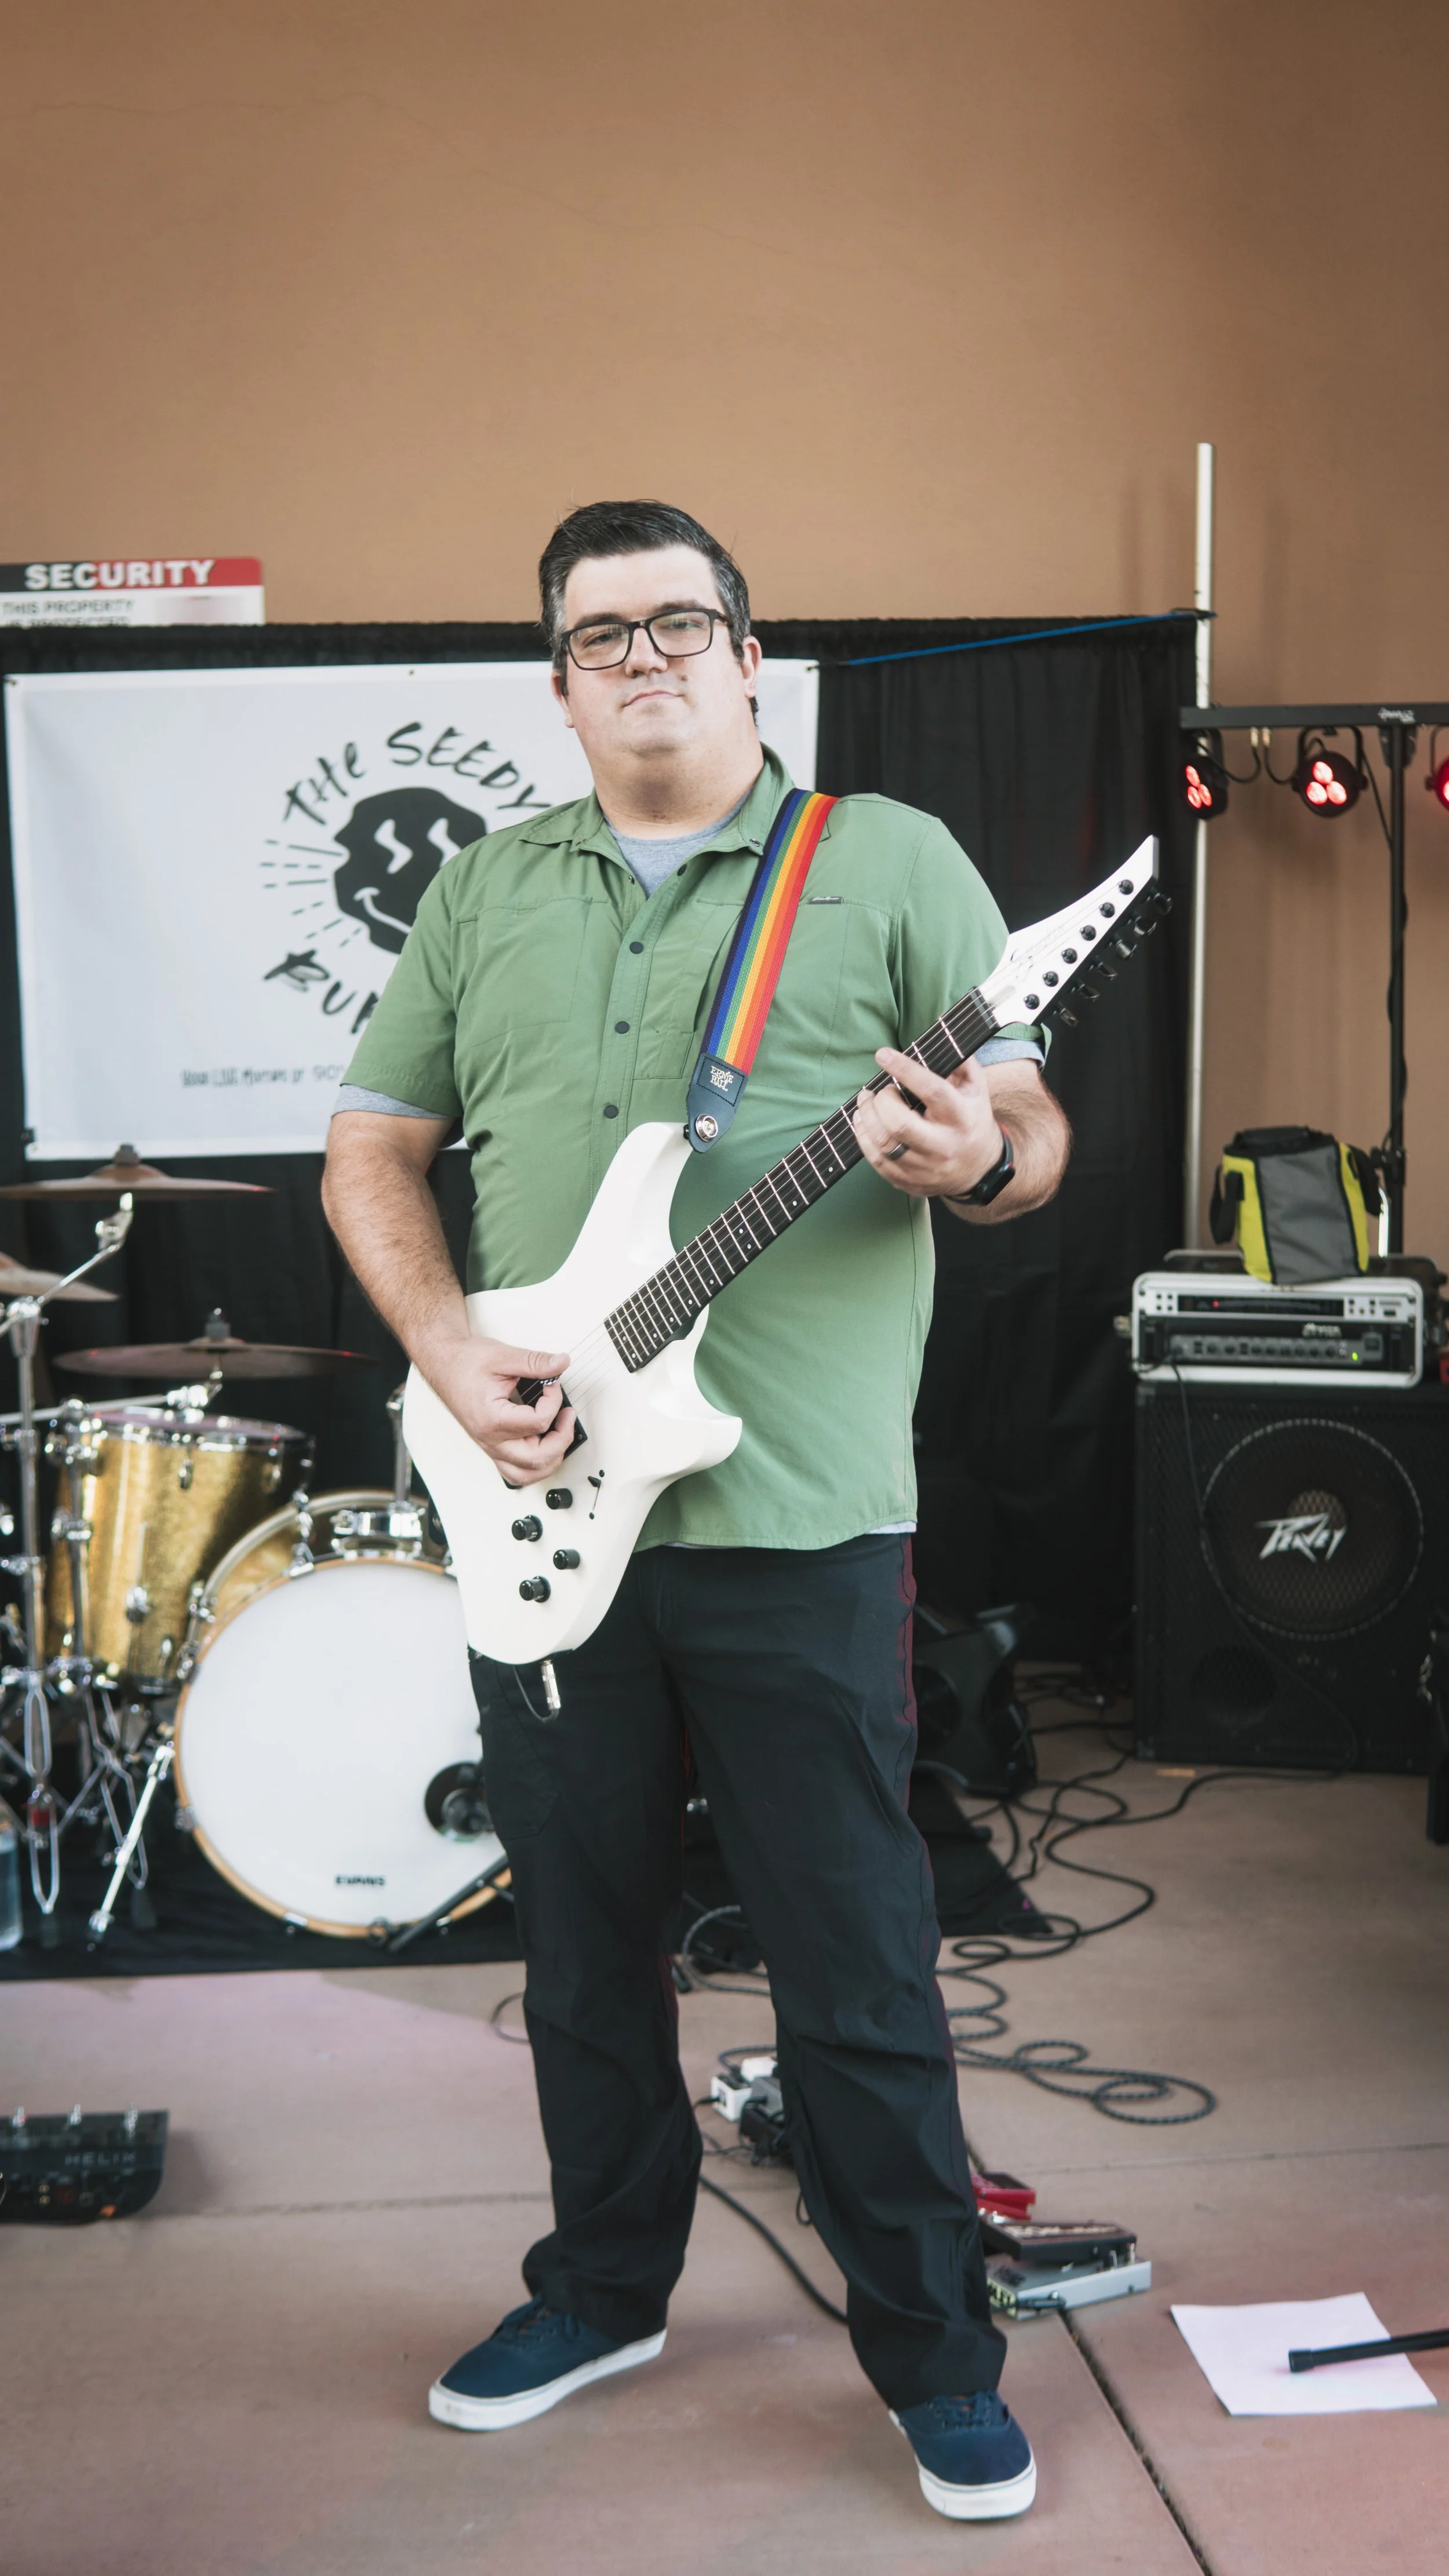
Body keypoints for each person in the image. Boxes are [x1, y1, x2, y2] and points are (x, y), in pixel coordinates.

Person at [322, 499, 1071, 2524]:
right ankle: (605, 2286)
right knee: (578, 1949)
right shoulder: (484, 888)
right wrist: (450, 1349)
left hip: (799, 1515)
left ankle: (930, 2346)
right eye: (597, 633)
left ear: (751, 652)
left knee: (852, 1960)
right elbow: (374, 1150)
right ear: (557, 680)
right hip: (540, 1505)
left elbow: (1026, 1122)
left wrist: (970, 1160)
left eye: (679, 620)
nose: (641, 654)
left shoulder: (886, 862)